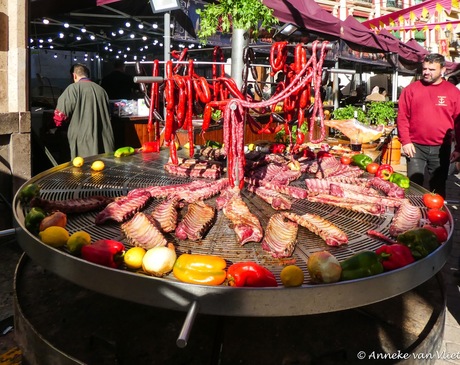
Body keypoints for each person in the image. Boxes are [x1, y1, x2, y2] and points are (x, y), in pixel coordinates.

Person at [397, 53, 460, 198]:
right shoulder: (411, 90)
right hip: (415, 147)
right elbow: (402, 117)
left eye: (432, 69)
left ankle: (436, 218)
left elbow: (458, 122)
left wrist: (459, 149)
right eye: (425, 68)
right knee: (414, 186)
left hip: (442, 148)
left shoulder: (453, 92)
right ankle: (413, 217)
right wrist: (405, 141)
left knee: (438, 187)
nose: (426, 72)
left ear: (443, 70)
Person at [53, 63, 115, 159]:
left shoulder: (72, 89)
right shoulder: (101, 90)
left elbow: (59, 117)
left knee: (82, 170)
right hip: (103, 139)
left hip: (82, 141)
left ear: (74, 75)